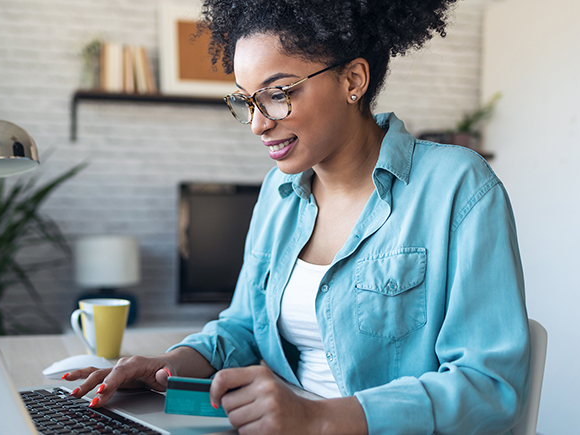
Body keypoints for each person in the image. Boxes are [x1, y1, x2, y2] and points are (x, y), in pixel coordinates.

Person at [64, 1, 531, 433]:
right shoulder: (279, 192)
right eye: (245, 101)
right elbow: (244, 328)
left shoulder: (456, 186)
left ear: (353, 80)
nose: (257, 123)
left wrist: (319, 419)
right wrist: (166, 364)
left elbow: (488, 387)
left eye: (277, 94)